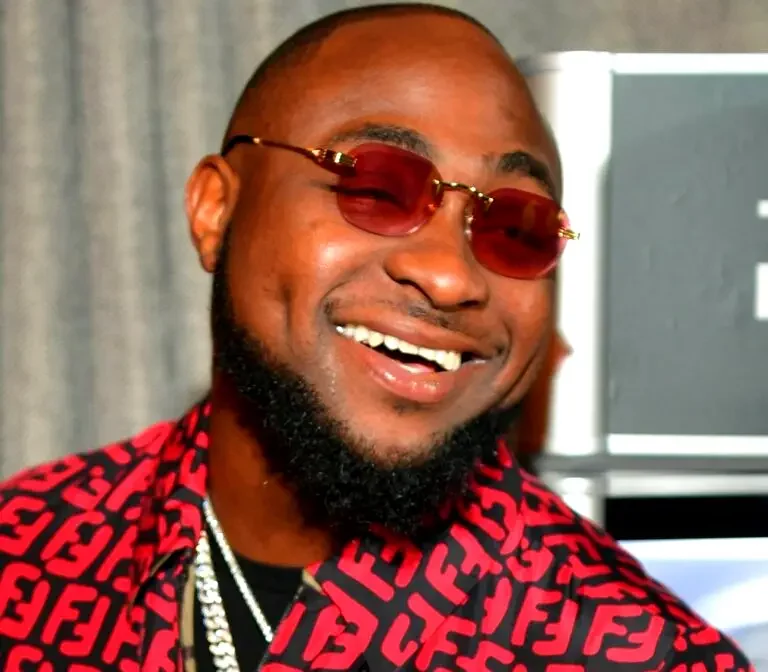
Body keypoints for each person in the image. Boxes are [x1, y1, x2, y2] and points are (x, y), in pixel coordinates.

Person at [0, 4, 753, 671]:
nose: (449, 276)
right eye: (376, 187)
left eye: (514, 227)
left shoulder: (639, 653)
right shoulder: (23, 551)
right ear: (215, 212)